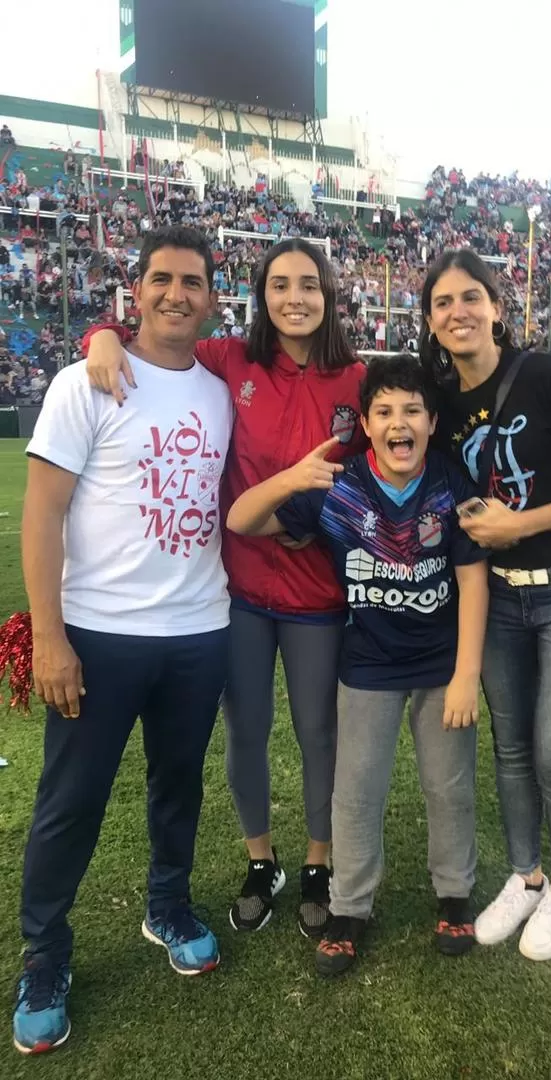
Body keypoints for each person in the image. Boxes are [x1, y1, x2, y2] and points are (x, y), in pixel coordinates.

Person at [84, 238, 366, 939]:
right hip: (236, 589)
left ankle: (316, 863)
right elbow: (160, 340)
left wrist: (327, 527)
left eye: (308, 284)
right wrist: (104, 336)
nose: (294, 298)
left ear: (328, 295)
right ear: (260, 296)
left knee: (318, 733)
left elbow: (375, 473)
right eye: (279, 285)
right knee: (246, 732)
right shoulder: (231, 359)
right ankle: (261, 860)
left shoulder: (358, 378)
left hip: (317, 596)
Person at [13, 226, 233, 1056]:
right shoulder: (85, 380)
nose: (177, 293)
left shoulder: (216, 389)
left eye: (193, 282)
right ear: (134, 291)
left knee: (178, 788)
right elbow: (43, 514)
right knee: (71, 802)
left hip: (198, 629)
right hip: (99, 635)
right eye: (161, 279)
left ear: (213, 298)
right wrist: (50, 635)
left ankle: (167, 906)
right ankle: (45, 952)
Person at [227, 354, 489, 976]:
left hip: (438, 666)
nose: (400, 424)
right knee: (356, 793)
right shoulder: (339, 484)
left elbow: (472, 579)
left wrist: (466, 675)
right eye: (385, 412)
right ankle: (348, 907)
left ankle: (453, 893)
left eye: (413, 411)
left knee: (448, 788)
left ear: (430, 422)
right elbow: (242, 520)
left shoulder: (450, 482)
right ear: (366, 425)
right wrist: (294, 478)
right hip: (367, 665)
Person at [422, 250, 551, 962]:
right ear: (430, 320)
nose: (459, 311)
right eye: (444, 301)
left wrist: (519, 525)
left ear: (498, 308)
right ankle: (526, 874)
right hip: (501, 600)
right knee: (510, 750)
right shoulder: (442, 397)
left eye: (471, 297)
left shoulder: (545, 375)